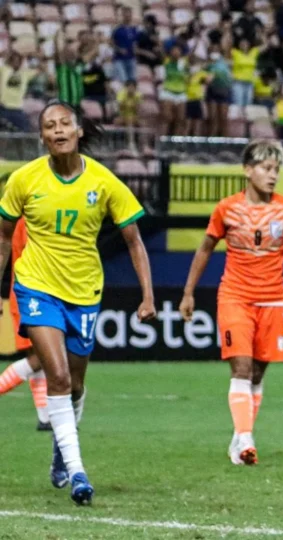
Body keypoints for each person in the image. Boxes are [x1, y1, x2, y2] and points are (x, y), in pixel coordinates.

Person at [0, 101, 156, 504]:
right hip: (35, 286)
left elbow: (134, 241)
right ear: (42, 137)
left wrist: (148, 296)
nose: (57, 131)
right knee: (58, 375)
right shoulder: (23, 179)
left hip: (84, 293)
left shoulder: (104, 182)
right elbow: (3, 236)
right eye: (49, 126)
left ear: (78, 130)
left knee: (76, 383)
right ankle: (78, 471)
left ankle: (61, 448)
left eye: (64, 124)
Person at [179, 140, 283, 467]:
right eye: (265, 168)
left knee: (259, 373)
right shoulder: (227, 209)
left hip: (273, 299)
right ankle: (247, 439)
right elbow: (205, 249)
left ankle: (239, 436)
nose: (272, 175)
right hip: (235, 296)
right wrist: (188, 292)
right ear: (248, 170)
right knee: (242, 368)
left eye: (276, 170)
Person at [0, 203, 49, 431]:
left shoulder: (20, 221)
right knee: (41, 358)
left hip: (26, 295)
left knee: (38, 359)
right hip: (29, 296)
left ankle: (45, 417)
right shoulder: (31, 223)